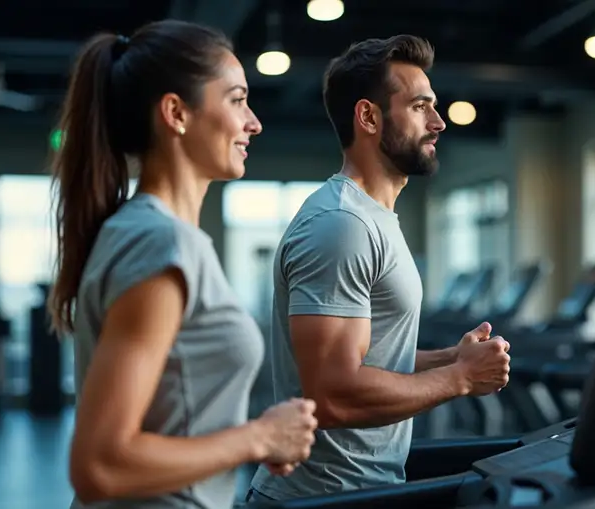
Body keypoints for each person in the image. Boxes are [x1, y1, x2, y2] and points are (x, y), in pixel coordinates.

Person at [47, 20, 318, 509]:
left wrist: (243, 436)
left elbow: (170, 416)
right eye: (236, 100)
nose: (253, 122)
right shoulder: (160, 242)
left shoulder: (157, 236)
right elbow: (99, 465)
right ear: (176, 113)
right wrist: (258, 438)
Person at [248, 34, 511, 502]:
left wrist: (451, 358)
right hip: (323, 498)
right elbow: (332, 394)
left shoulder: (373, 217)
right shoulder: (342, 225)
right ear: (369, 116)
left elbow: (371, 360)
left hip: (360, 489)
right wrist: (461, 379)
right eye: (420, 107)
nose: (438, 121)